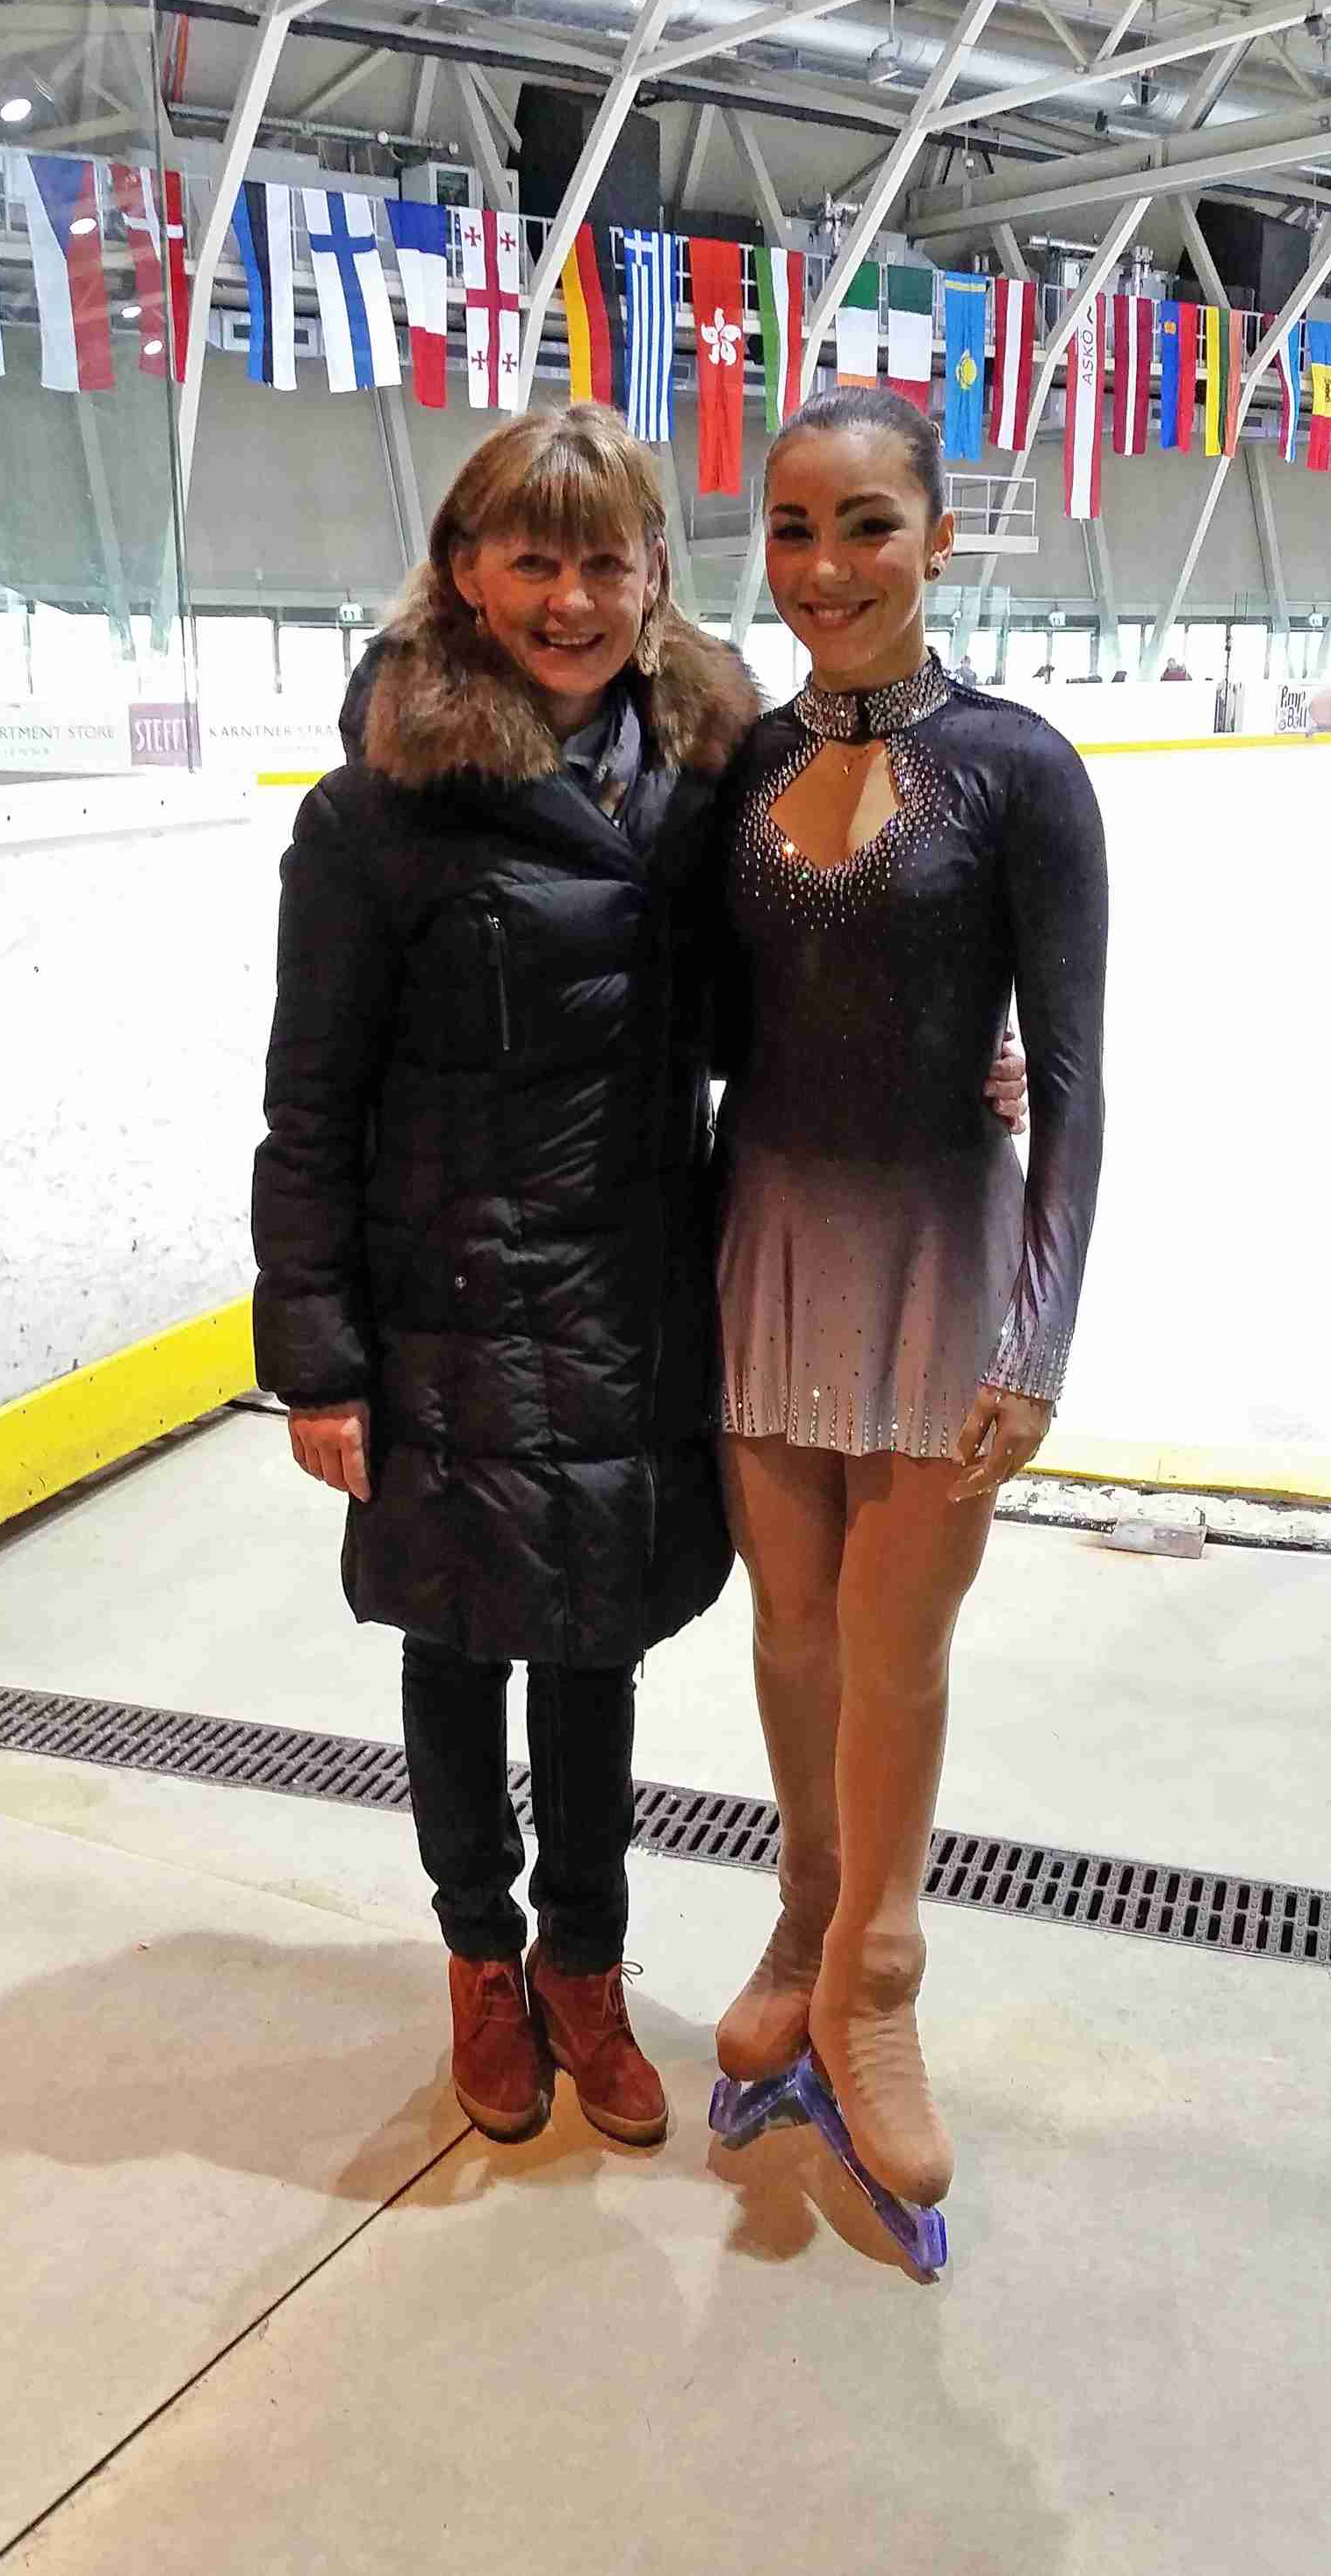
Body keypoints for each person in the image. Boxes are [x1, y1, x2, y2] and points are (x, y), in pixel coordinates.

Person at [253, 403, 1027, 2155]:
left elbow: (775, 1001)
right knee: (459, 1644)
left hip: (633, 1281)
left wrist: (951, 1054)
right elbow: (309, 1101)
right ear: (461, 573)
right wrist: (318, 1357)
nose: (570, 599)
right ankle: (480, 1960)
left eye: (604, 561)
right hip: (445, 1297)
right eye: (532, 560)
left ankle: (585, 1971)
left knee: (596, 1649)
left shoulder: (700, 780)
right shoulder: (375, 814)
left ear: (654, 575)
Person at [710, 385, 1107, 2213]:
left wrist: (1036, 1340)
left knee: (897, 1646)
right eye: (792, 528)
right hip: (767, 1245)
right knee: (789, 1632)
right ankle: (804, 1909)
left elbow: (1074, 1079)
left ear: (937, 539)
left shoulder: (1018, 770)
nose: (825, 565)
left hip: (945, 1254)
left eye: (866, 524)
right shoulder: (731, 767)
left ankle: (878, 1974)